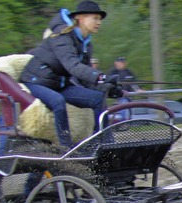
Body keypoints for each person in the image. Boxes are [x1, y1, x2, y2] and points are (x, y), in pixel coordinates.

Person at [19, 1, 120, 148]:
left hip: (59, 84)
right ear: (81, 18)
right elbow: (72, 66)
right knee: (58, 101)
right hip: (36, 82)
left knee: (98, 98)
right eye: (95, 18)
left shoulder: (86, 44)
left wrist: (108, 87)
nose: (99, 22)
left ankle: (102, 143)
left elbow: (84, 77)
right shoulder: (62, 36)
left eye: (99, 19)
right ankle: (65, 148)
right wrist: (100, 76)